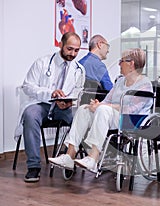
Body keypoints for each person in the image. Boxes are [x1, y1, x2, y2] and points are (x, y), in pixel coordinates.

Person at [48, 48, 153, 171]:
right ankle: (69, 156)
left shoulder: (145, 84)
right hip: (111, 116)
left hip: (131, 120)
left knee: (103, 110)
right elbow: (107, 100)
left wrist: (104, 107)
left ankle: (93, 158)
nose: (119, 63)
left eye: (122, 61)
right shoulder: (120, 81)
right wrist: (97, 105)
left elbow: (131, 109)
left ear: (131, 64)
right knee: (83, 109)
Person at [14, 32, 85, 182]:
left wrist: (69, 102)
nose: (72, 54)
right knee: (30, 115)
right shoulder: (42, 63)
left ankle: (68, 157)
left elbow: (79, 92)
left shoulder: (79, 70)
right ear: (61, 45)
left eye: (76, 50)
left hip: (64, 109)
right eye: (69, 49)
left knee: (81, 118)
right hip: (42, 104)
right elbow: (28, 86)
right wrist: (51, 94)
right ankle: (34, 167)